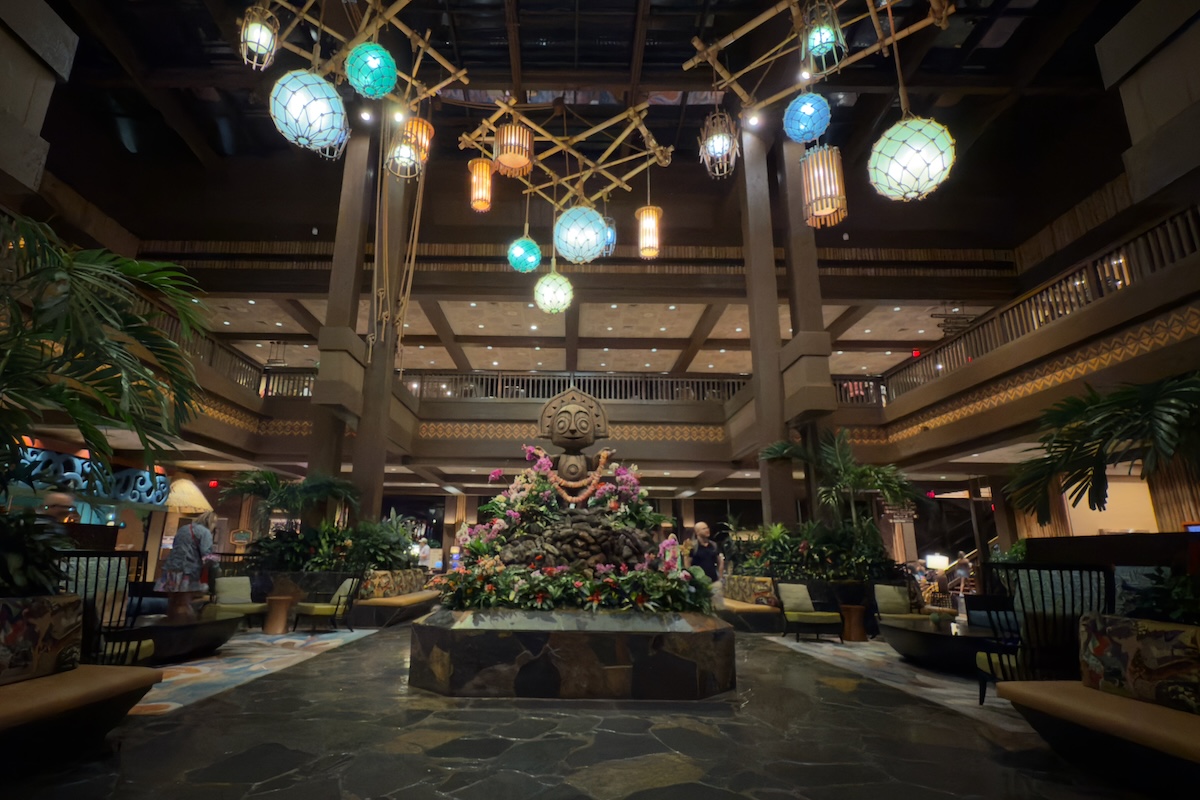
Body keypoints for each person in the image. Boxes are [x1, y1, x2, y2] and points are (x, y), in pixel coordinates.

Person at [156, 511, 216, 622]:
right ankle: (184, 627)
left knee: (173, 602)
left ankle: (170, 626)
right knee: (183, 602)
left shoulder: (183, 529)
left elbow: (175, 545)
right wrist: (216, 563)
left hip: (170, 568)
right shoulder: (205, 532)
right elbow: (206, 554)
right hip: (187, 570)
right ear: (210, 522)